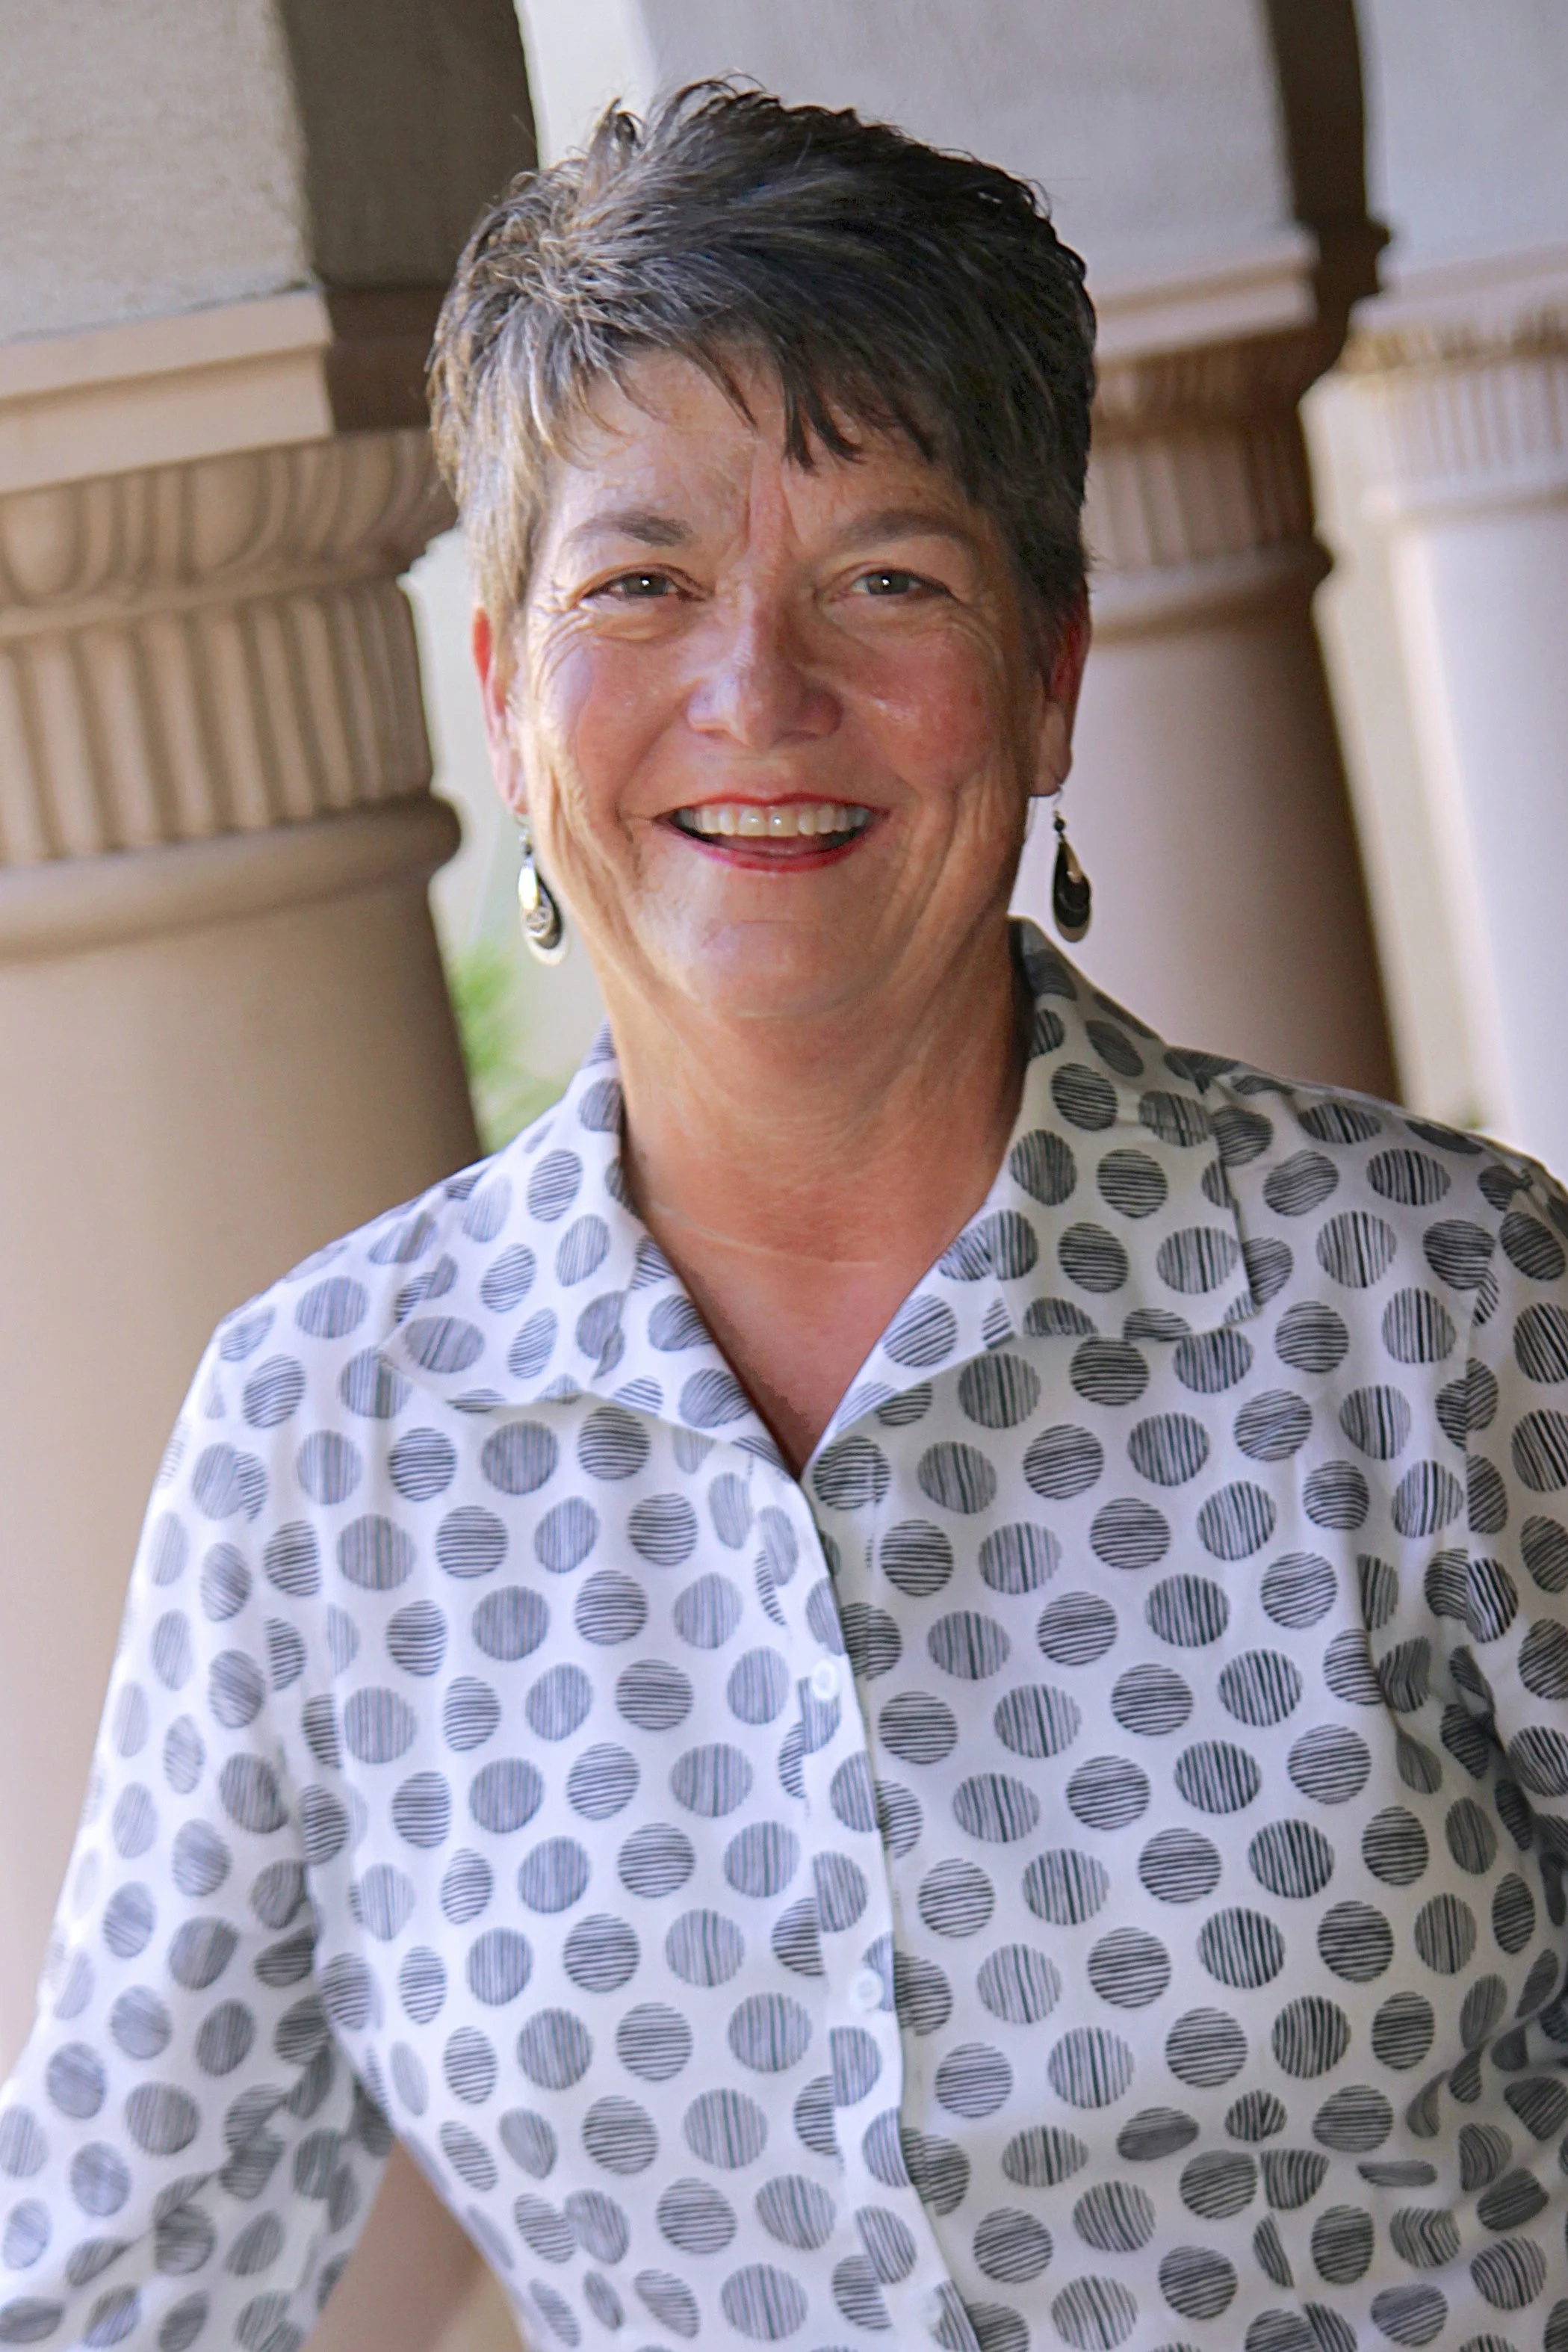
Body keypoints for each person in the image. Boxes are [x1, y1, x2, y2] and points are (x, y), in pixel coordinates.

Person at [4, 80, 1568, 2352]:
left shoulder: (1441, 1320)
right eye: (639, 582)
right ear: (509, 701)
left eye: (888, 577)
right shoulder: (320, 1447)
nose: (761, 694)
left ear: (1046, 678)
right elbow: (113, 2280)